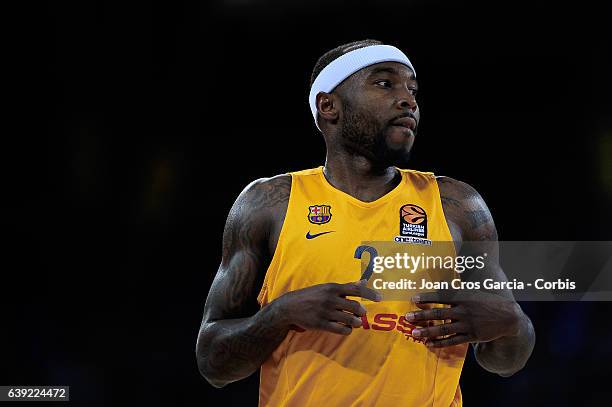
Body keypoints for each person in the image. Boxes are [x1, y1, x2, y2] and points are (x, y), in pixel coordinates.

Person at [196, 39, 535, 406]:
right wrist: (279, 314)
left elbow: (506, 359)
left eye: (413, 89)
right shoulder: (268, 203)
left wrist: (511, 323)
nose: (409, 100)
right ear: (329, 106)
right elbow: (214, 364)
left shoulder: (457, 205)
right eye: (385, 83)